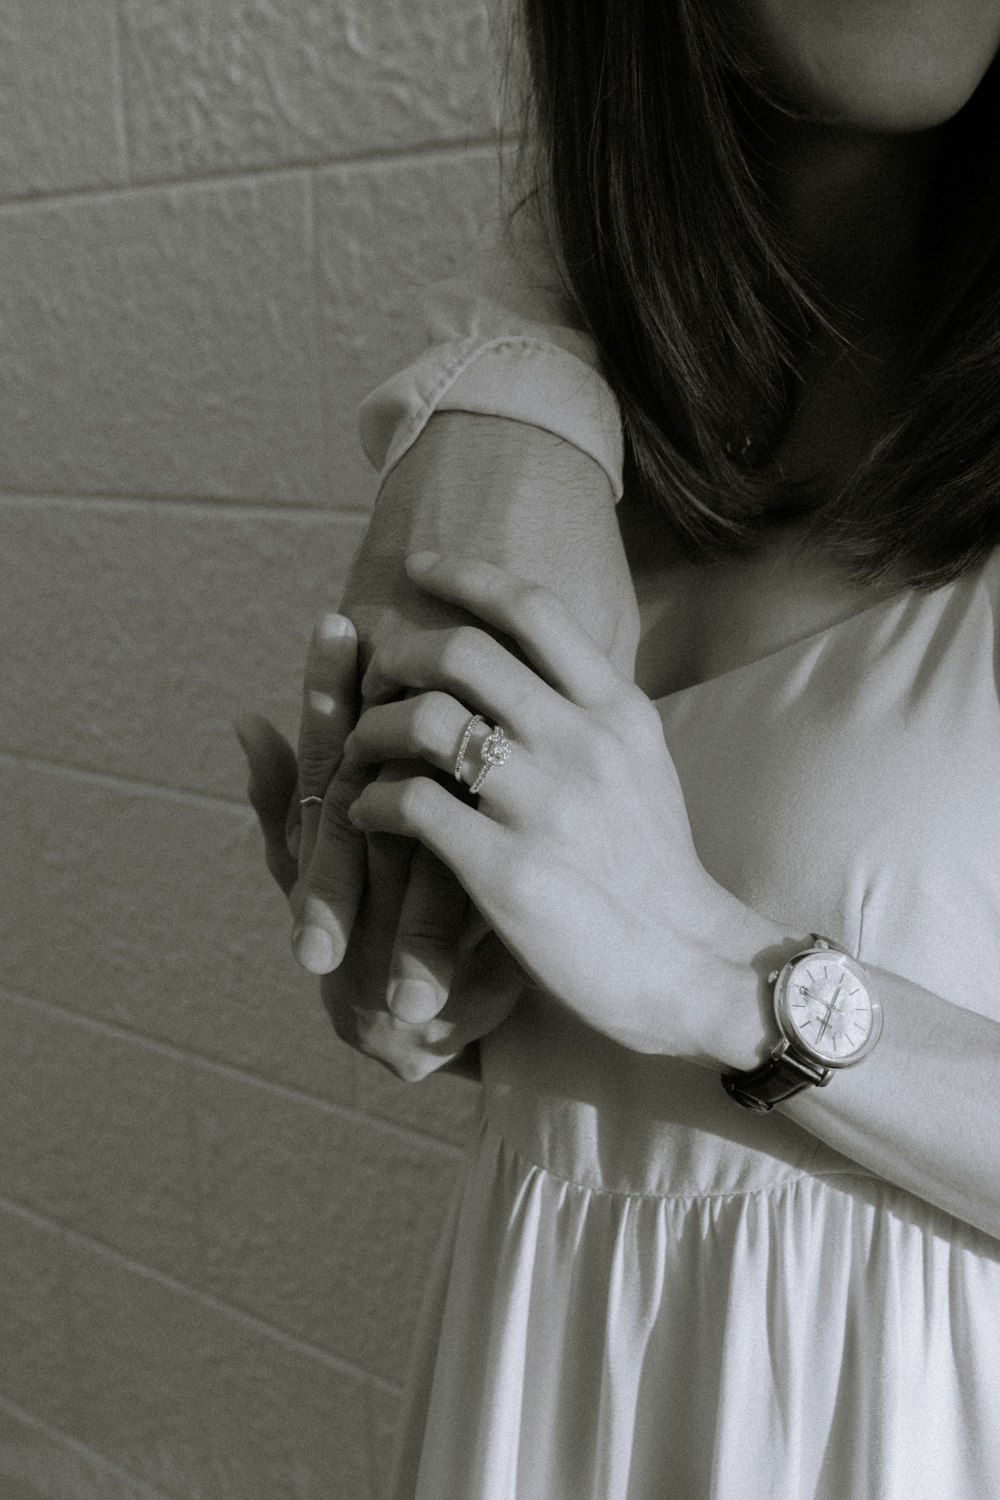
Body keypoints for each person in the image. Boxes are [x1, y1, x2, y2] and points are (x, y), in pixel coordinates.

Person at [234, 1, 1000, 1494]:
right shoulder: (544, 445)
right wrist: (454, 978)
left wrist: (731, 979)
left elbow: (703, 975)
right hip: (549, 1391)